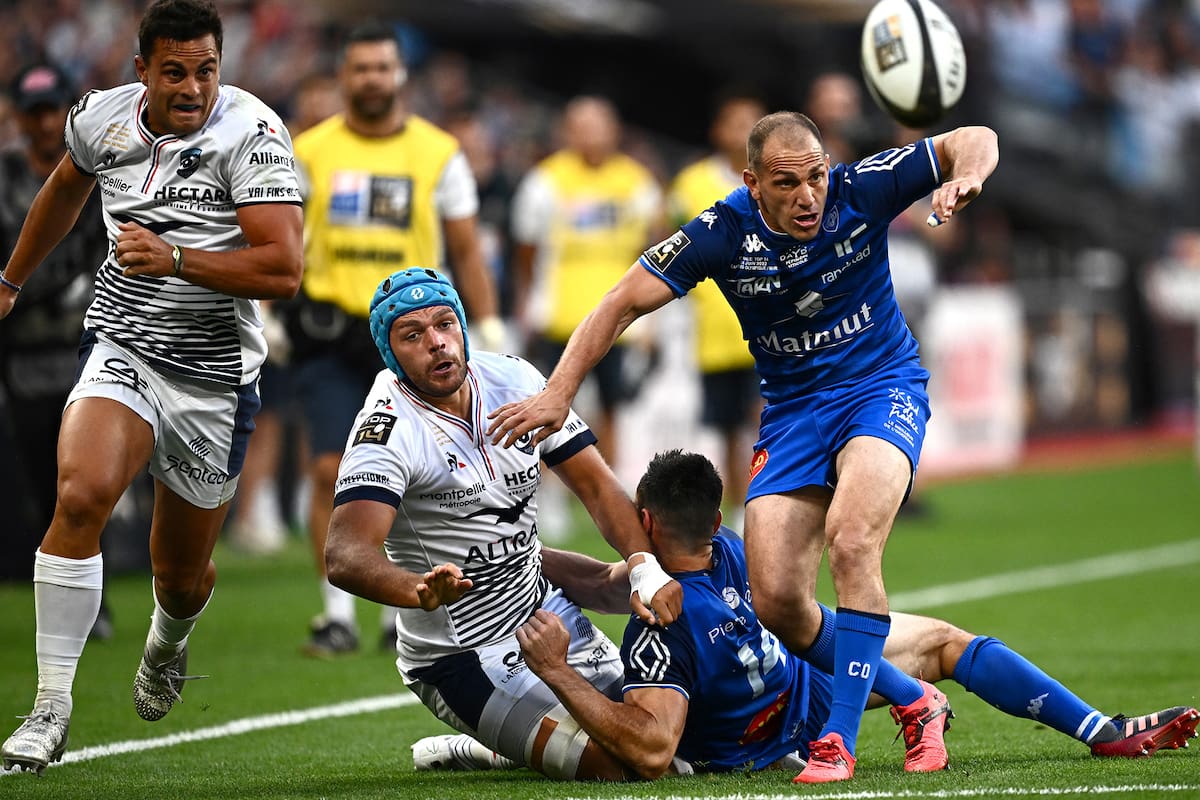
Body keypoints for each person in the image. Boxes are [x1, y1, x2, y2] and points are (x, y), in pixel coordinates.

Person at [488, 112, 1000, 782]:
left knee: (851, 541)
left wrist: (968, 174)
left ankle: (838, 741)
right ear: (752, 182)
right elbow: (619, 301)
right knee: (778, 599)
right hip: (793, 412)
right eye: (788, 183)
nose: (809, 195)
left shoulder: (861, 187)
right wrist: (558, 394)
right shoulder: (722, 231)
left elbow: (973, 137)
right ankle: (925, 698)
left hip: (881, 387)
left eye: (815, 176)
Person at [418, 450, 1200, 779]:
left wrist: (553, 668)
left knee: (611, 756)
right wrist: (516, 558)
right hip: (810, 696)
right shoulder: (731, 548)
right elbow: (608, 578)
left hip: (753, 745)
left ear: (647, 525)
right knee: (946, 641)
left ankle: (497, 748)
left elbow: (653, 753)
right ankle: (1101, 731)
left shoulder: (656, 629)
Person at [0, 0, 303, 775]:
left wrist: (173, 258)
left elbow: (282, 269)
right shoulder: (101, 120)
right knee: (81, 495)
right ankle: (51, 705)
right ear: (142, 70)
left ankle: (167, 645)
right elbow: (67, 186)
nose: (193, 87)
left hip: (215, 378)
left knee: (180, 574)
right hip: (123, 347)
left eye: (206, 70)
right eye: (175, 72)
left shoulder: (255, 133)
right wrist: (10, 280)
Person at [322, 267, 682, 780]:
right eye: (412, 335)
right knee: (620, 765)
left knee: (659, 731)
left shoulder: (513, 378)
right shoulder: (387, 429)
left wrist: (643, 565)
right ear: (390, 352)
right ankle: (482, 744)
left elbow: (598, 488)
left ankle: (510, 743)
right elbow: (344, 554)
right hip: (460, 654)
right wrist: (416, 588)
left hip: (541, 612)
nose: (437, 343)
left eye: (445, 324)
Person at [286, 22, 504, 657]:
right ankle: (339, 614)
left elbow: (465, 247)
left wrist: (486, 327)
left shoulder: (437, 151)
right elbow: (285, 234)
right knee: (329, 466)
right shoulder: (310, 149)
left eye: (383, 67)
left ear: (400, 75)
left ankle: (395, 603)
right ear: (343, 76)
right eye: (361, 69)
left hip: (415, 335)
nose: (372, 79)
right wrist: (266, 311)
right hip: (328, 328)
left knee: (414, 473)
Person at [509, 94, 664, 466]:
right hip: (558, 316)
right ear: (567, 132)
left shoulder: (636, 182)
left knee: (614, 407)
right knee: (548, 404)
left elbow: (656, 243)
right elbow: (526, 250)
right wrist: (528, 301)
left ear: (615, 131)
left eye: (599, 126)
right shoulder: (545, 181)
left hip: (618, 319)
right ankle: (550, 495)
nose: (591, 136)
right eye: (582, 127)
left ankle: (611, 482)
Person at [667, 92, 767, 527]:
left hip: (769, 321)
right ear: (718, 130)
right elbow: (664, 239)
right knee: (728, 426)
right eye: (735, 123)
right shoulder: (690, 183)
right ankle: (743, 508)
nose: (742, 132)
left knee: (768, 419)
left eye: (752, 123)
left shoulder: (775, 179)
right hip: (716, 326)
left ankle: (773, 499)